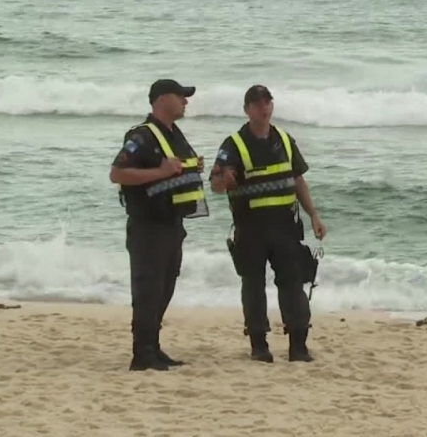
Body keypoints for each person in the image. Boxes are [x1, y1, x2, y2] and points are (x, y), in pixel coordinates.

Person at [210, 84, 327, 363]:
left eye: (267, 102)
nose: (264, 108)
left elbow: (298, 181)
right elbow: (215, 184)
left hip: (285, 226)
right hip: (250, 228)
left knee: (293, 283)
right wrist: (223, 182)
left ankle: (298, 344)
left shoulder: (285, 141)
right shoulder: (233, 145)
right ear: (247, 109)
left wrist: (314, 215)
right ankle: (258, 344)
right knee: (253, 285)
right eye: (257, 103)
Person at [108, 79, 208, 372]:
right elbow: (117, 173)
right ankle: (142, 353)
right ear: (163, 99)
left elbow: (176, 168)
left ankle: (153, 346)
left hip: (172, 223)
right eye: (181, 97)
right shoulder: (141, 136)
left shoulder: (174, 134)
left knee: (165, 286)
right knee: (148, 289)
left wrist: (193, 167)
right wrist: (160, 171)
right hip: (147, 225)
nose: (186, 102)